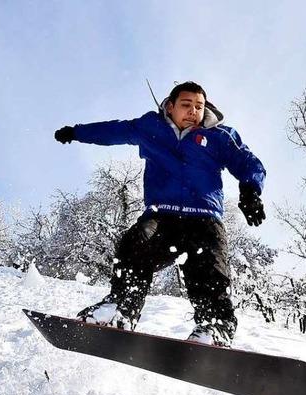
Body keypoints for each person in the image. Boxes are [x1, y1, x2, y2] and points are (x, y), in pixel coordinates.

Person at [53, 81, 266, 347]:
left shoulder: (219, 136)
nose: (193, 111)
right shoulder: (151, 128)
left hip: (204, 218)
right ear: (170, 106)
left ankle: (214, 328)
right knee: (136, 243)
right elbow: (115, 130)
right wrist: (76, 132)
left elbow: (247, 161)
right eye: (186, 105)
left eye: (199, 107)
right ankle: (121, 308)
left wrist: (250, 189)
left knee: (210, 268)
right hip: (161, 217)